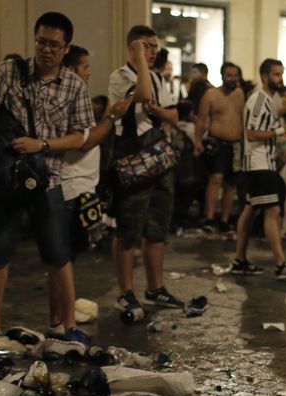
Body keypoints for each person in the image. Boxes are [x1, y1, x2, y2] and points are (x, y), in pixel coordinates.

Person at [0, 13, 93, 345]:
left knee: (58, 256)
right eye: (41, 41)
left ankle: (68, 325)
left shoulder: (74, 86)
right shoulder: (9, 71)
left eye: (54, 44)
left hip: (47, 179)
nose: (46, 50)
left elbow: (81, 136)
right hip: (5, 176)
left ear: (65, 48)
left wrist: (44, 144)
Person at [108, 25, 185, 318]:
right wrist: (140, 60)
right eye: (146, 46)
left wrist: (157, 111)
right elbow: (141, 95)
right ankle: (125, 292)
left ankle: (155, 287)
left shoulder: (155, 76)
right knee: (128, 228)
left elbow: (172, 115)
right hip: (131, 160)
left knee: (157, 227)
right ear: (132, 48)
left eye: (154, 47)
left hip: (157, 159)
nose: (153, 52)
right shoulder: (120, 77)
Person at [58, 45, 133, 331]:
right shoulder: (66, 98)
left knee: (69, 256)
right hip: (71, 185)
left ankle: (65, 313)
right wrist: (112, 117)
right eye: (86, 67)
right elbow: (84, 141)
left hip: (82, 185)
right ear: (72, 69)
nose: (89, 74)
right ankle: (63, 320)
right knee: (63, 258)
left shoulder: (76, 96)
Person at [229, 59, 286, 279]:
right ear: (264, 76)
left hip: (262, 162)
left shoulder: (270, 99)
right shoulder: (259, 99)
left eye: (281, 74)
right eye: (275, 75)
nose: (280, 79)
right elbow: (252, 133)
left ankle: (239, 259)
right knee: (272, 210)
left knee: (250, 210)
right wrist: (282, 130)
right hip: (258, 163)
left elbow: (267, 119)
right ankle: (280, 264)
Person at [196, 62, 245, 231]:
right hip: (217, 143)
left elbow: (243, 118)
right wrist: (197, 141)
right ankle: (209, 218)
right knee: (215, 179)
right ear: (222, 76)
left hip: (236, 144)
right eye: (229, 75)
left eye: (235, 75)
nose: (233, 78)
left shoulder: (240, 94)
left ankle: (224, 220)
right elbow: (201, 120)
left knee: (231, 184)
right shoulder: (211, 95)